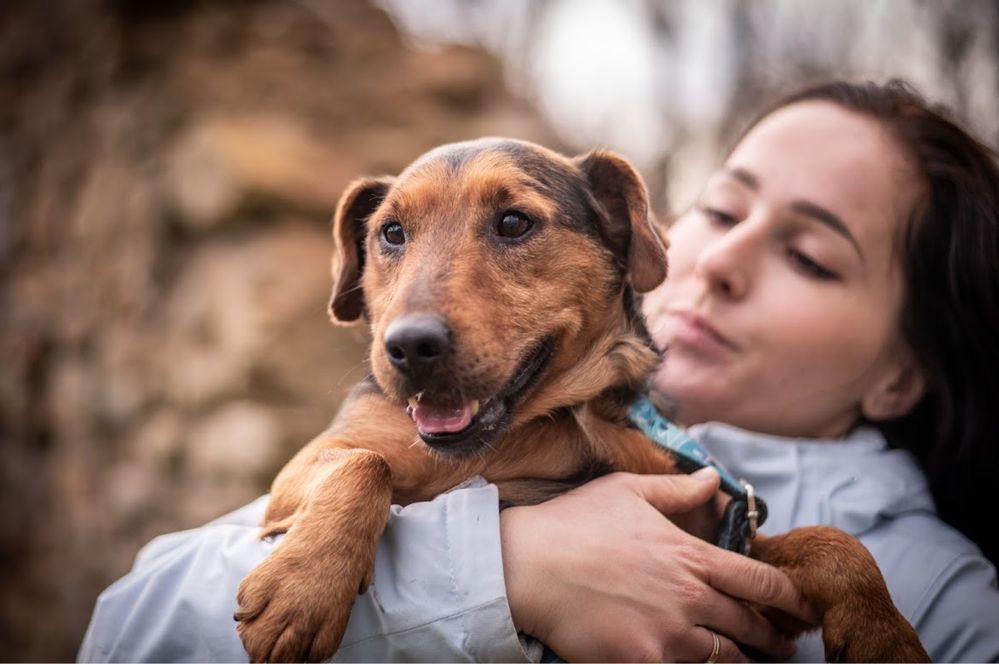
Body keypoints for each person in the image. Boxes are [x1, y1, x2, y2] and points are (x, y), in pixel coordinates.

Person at [78, 80, 999, 663]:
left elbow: (745, 580)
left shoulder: (951, 598)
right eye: (722, 208)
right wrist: (500, 568)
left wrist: (838, 574)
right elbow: (127, 630)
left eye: (809, 256)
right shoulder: (402, 437)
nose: (414, 321)